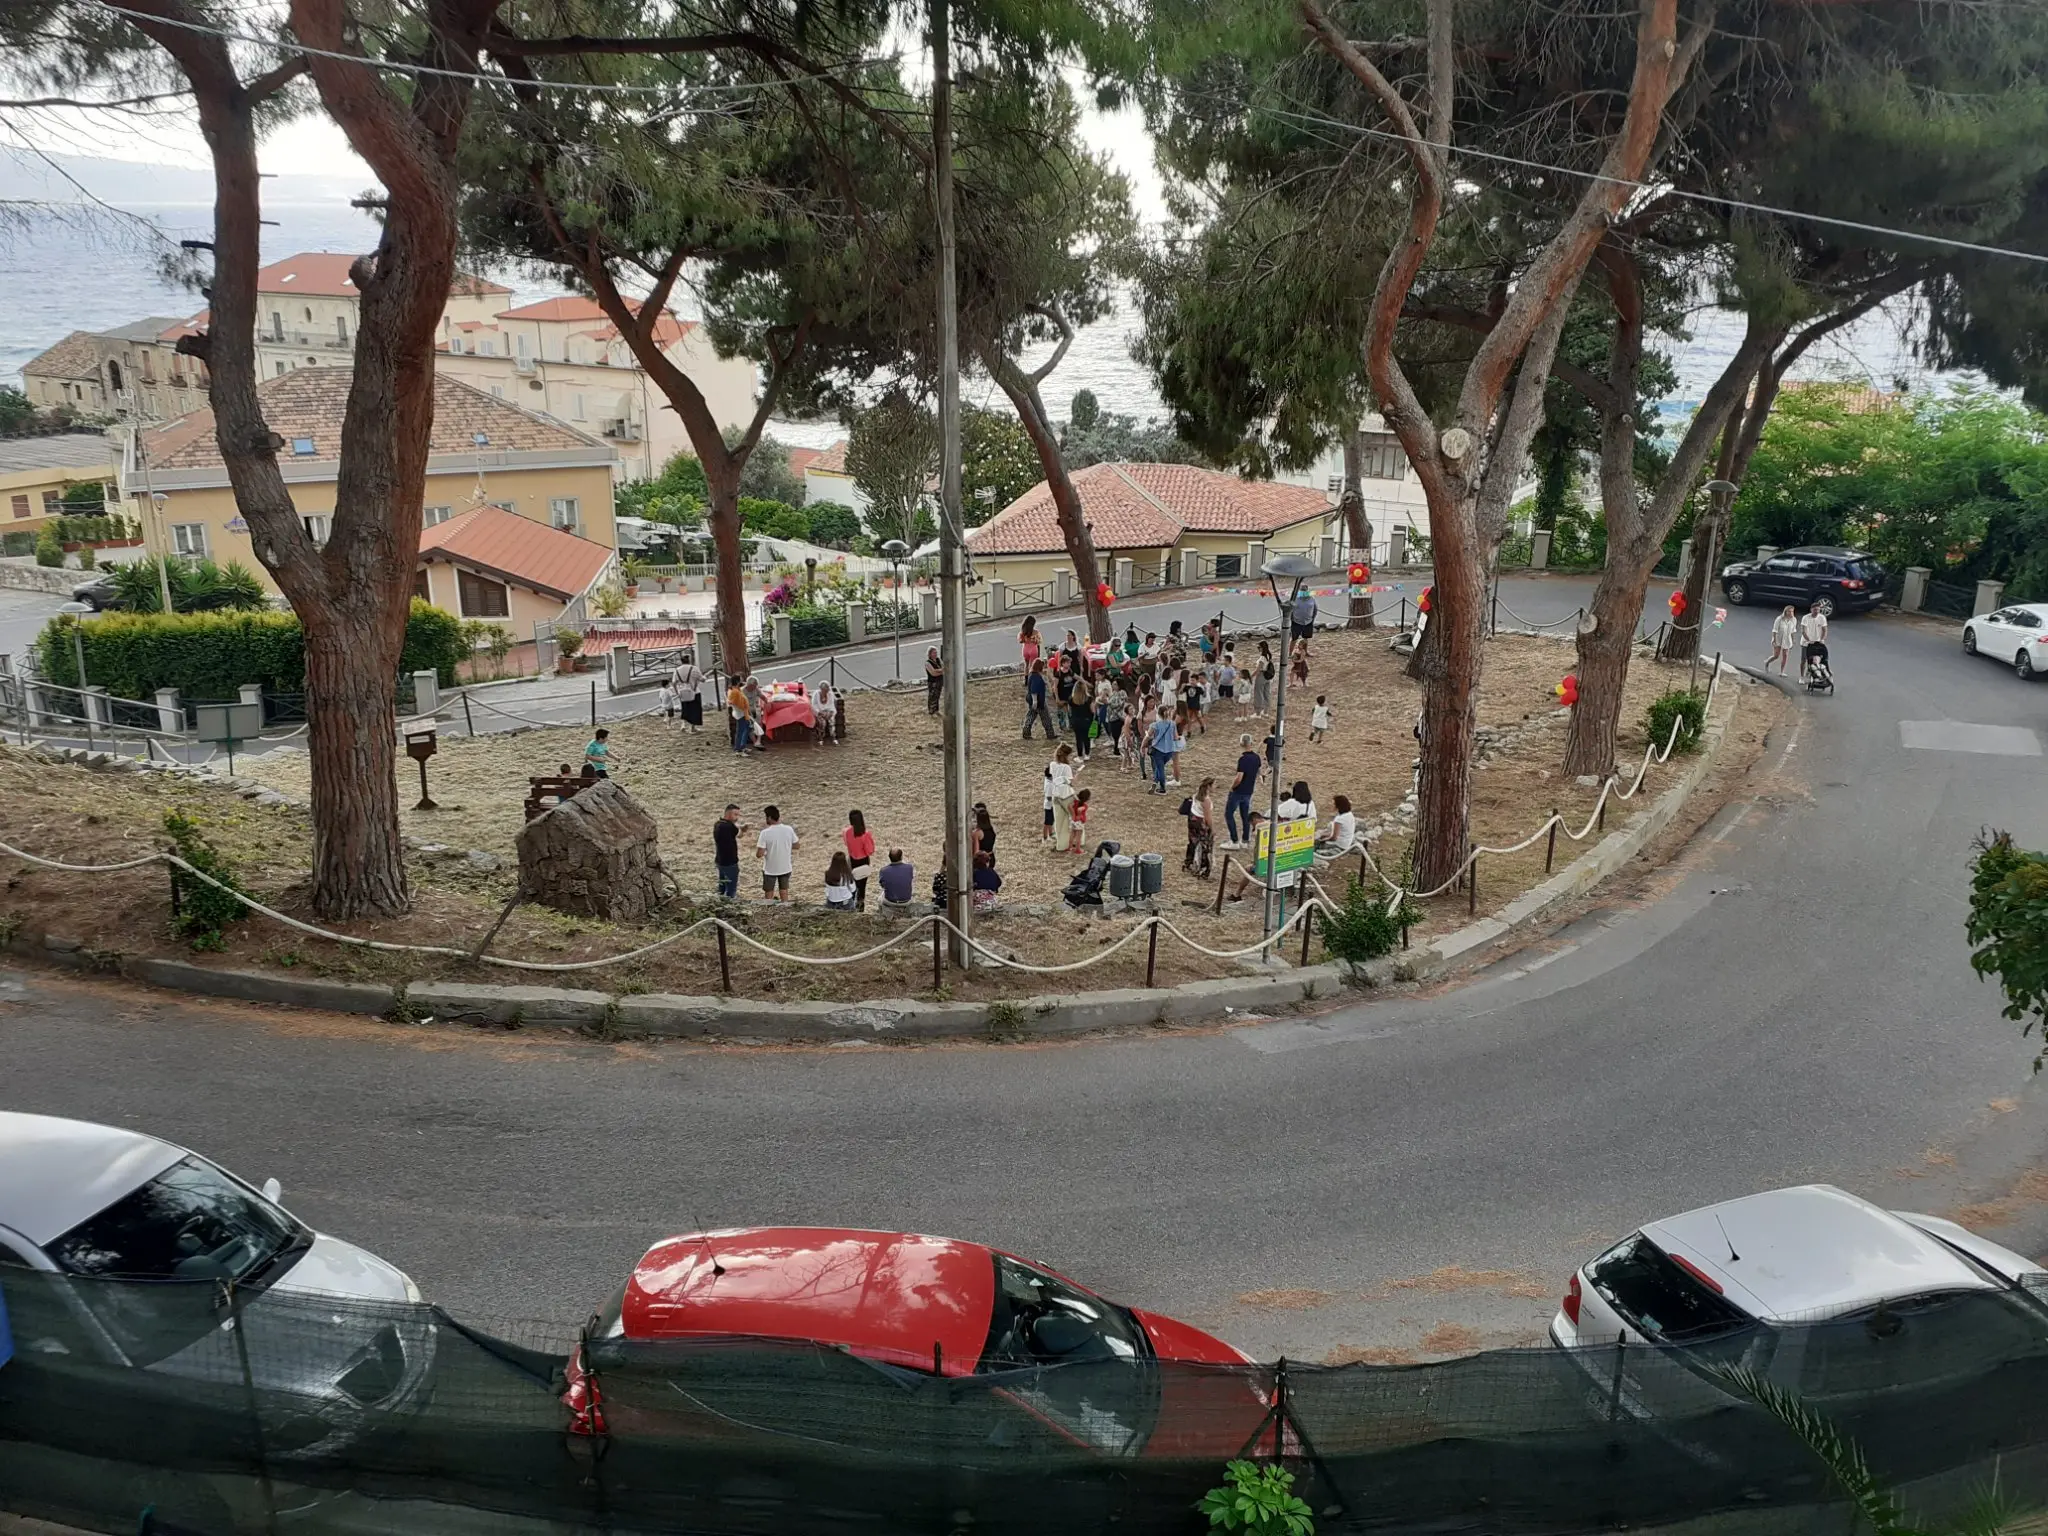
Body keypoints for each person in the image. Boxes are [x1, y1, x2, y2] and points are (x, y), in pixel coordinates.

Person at [755, 804, 799, 902]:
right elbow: (797, 845)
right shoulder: (788, 829)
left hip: (770, 869)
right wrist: (785, 846)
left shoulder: (765, 833)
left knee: (769, 892)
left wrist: (766, 851)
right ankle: (785, 908)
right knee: (784, 891)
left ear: (769, 818)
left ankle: (769, 909)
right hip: (785, 867)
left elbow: (759, 854)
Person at [1225, 733, 1260, 848]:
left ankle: (1234, 840)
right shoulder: (1256, 758)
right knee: (1245, 815)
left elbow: (1239, 777)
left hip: (1239, 791)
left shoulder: (1243, 759)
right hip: (1249, 791)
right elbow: (1258, 772)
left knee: (1229, 814)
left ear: (1241, 743)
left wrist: (1232, 787)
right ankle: (1245, 840)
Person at [1044, 743, 1080, 845]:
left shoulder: (1052, 764)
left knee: (1059, 821)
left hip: (1055, 794)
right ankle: (1076, 840)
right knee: (1074, 817)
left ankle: (1061, 843)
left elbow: (1054, 778)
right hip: (1066, 795)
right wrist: (1076, 776)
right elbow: (1070, 782)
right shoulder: (1066, 767)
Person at [842, 809, 876, 911]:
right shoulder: (865, 834)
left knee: (853, 883)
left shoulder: (846, 832)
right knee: (862, 886)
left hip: (853, 860)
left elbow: (846, 843)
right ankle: (860, 906)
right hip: (863, 861)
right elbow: (870, 851)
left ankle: (851, 904)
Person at [1183, 774, 1216, 876]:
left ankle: (1189, 862)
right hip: (1200, 823)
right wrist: (1212, 829)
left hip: (1192, 820)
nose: (1215, 787)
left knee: (1193, 842)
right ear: (1209, 786)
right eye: (1214, 785)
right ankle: (1202, 867)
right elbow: (1208, 818)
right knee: (1204, 845)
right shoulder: (1206, 800)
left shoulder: (1197, 795)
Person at [712, 803, 746, 900]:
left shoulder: (718, 824)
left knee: (722, 886)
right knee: (731, 889)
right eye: (735, 814)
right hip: (730, 863)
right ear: (728, 814)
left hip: (720, 861)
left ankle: (720, 903)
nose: (737, 817)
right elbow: (738, 833)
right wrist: (743, 829)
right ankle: (728, 905)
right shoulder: (728, 827)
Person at [1145, 707, 1179, 794]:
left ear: (1159, 714)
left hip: (1158, 749)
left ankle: (1162, 788)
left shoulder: (1155, 725)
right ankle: (1155, 782)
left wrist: (1143, 746)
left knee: (1160, 769)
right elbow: (1176, 737)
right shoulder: (1172, 724)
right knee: (1160, 767)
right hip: (1169, 750)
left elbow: (1148, 736)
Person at [670, 652, 706, 733]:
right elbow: (702, 679)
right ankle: (693, 727)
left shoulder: (677, 670)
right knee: (695, 710)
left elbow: (674, 682)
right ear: (689, 660)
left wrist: (677, 692)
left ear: (681, 661)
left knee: (685, 709)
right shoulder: (694, 668)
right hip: (694, 691)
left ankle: (683, 725)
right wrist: (704, 677)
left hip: (682, 692)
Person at [1022, 659, 1057, 739]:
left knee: (1030, 717)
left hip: (1032, 700)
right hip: (1039, 702)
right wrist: (1035, 701)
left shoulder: (1031, 675)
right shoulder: (1036, 677)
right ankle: (1050, 735)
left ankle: (1026, 733)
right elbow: (1034, 690)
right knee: (1046, 719)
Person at [1315, 794, 1359, 858]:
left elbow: (1334, 837)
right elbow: (1339, 832)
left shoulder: (1339, 819)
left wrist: (1323, 840)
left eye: (1334, 804)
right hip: (1346, 843)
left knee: (1316, 843)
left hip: (1339, 845)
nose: (1332, 805)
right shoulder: (1349, 814)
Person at [1069, 668, 1096, 760]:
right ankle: (1087, 754)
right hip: (1087, 720)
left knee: (1078, 739)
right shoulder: (1089, 699)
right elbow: (1093, 710)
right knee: (1086, 737)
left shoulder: (1071, 699)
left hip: (1076, 720)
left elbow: (1070, 710)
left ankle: (1080, 756)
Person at [1800, 602, 1830, 679]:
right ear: (1811, 610)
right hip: (1806, 643)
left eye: (1818, 610)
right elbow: (1803, 631)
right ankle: (1801, 676)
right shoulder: (1805, 618)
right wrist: (1808, 640)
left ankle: (1814, 672)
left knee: (1816, 660)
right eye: (1815, 609)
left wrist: (1822, 639)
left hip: (1817, 642)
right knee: (1804, 660)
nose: (1816, 611)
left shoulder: (1822, 618)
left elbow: (1824, 630)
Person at [1770, 605, 1799, 677]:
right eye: (1789, 611)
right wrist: (1774, 639)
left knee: (1785, 655)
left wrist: (1793, 639)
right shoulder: (1779, 619)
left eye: (1792, 611)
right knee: (1776, 655)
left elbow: (1793, 631)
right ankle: (1767, 662)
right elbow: (1775, 630)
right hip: (1779, 638)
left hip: (1787, 639)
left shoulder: (1794, 620)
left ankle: (1781, 671)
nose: (1791, 613)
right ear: (1785, 612)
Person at [727, 675, 754, 754]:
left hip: (741, 713)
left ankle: (742, 746)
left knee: (746, 729)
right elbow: (737, 703)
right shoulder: (735, 692)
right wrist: (746, 709)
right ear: (737, 681)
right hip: (741, 713)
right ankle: (738, 749)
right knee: (740, 731)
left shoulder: (735, 690)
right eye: (740, 680)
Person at [1251, 640, 1275, 716]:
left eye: (1259, 647)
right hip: (1268, 676)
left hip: (1261, 676)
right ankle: (1265, 711)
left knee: (1258, 693)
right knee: (1266, 693)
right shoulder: (1269, 655)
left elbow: (1258, 669)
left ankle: (1257, 712)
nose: (1258, 649)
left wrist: (1251, 676)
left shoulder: (1262, 658)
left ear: (1262, 648)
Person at [1066, 786, 1091, 855]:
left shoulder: (1075, 802)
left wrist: (1073, 815)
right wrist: (1079, 815)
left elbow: (1069, 806)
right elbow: (1079, 809)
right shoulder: (1084, 805)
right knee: (1078, 836)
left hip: (1073, 821)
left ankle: (1070, 847)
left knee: (1072, 834)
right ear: (1087, 798)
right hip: (1079, 822)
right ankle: (1077, 849)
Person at [1216, 650, 1239, 721]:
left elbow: (1234, 676)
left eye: (1224, 660)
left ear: (1228, 661)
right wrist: (1217, 679)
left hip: (1229, 685)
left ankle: (1234, 704)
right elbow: (1219, 673)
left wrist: (1236, 680)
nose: (1223, 661)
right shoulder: (1222, 667)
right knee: (1220, 694)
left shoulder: (1231, 669)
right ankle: (1219, 705)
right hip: (1222, 684)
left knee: (1230, 696)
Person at [973, 802, 999, 866]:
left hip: (981, 860)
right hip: (991, 856)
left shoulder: (977, 833)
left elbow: (976, 852)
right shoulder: (992, 829)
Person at [813, 680, 837, 744]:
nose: (826, 691)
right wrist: (819, 712)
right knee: (822, 723)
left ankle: (833, 737)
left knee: (831, 721)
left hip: (828, 711)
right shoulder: (816, 694)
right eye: (824, 690)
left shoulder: (830, 694)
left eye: (827, 689)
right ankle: (820, 738)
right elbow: (814, 705)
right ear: (821, 689)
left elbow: (832, 705)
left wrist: (831, 713)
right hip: (820, 712)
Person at [924, 646, 945, 715]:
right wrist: (941, 671)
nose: (935, 654)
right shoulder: (928, 663)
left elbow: (944, 668)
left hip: (939, 681)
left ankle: (936, 710)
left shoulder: (938, 660)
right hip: (932, 682)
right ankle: (931, 711)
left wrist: (939, 671)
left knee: (937, 696)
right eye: (934, 653)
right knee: (932, 696)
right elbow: (933, 673)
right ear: (930, 654)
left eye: (936, 653)